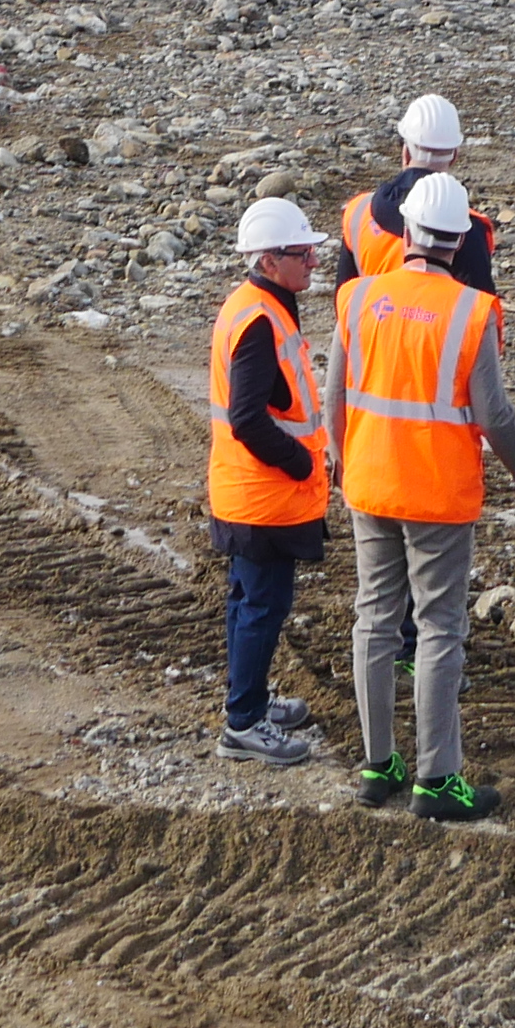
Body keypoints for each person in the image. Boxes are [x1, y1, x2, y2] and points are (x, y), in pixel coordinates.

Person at [329, 169, 515, 822]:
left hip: (369, 482)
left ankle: (377, 764)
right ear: (458, 240)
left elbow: (333, 393)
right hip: (437, 495)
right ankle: (437, 779)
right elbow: (494, 414)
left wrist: (342, 460)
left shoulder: (359, 298)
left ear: (407, 231)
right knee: (440, 629)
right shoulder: (472, 311)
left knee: (374, 619)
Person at [201, 197, 332, 763]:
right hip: (262, 497)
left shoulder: (258, 304)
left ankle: (247, 698)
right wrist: (301, 463)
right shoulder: (259, 320)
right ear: (269, 259)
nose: (314, 263)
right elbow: (248, 418)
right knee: (262, 604)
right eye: (303, 254)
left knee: (245, 600)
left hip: (245, 491)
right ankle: (245, 723)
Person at [334, 93, 496, 294]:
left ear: (406, 152)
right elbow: (478, 310)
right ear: (454, 156)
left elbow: (344, 298)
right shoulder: (464, 226)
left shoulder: (358, 211)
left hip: (371, 323)